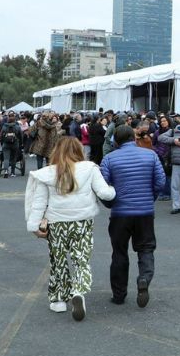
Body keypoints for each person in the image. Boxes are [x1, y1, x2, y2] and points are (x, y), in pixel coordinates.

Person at [26, 136, 115, 320]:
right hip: (82, 222)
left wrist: (34, 226)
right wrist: (114, 190)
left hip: (56, 223)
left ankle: (59, 300)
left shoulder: (48, 173)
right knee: (81, 258)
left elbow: (39, 202)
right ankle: (78, 291)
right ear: (79, 150)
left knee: (58, 260)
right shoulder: (89, 168)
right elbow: (105, 193)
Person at [99, 125, 166, 308]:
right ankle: (144, 278)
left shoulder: (109, 159)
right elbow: (160, 182)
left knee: (119, 252)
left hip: (120, 214)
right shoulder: (150, 155)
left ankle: (119, 294)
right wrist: (149, 198)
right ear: (133, 138)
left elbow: (103, 188)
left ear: (116, 141)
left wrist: (110, 204)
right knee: (146, 249)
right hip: (144, 212)